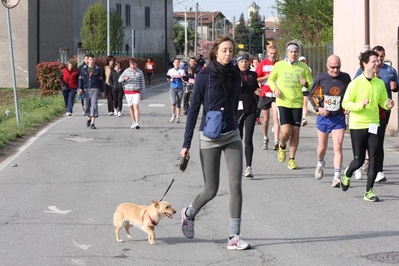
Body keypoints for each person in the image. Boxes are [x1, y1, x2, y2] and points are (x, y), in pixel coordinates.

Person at [180, 36, 251, 250]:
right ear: (215, 52)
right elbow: (193, 110)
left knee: (236, 184)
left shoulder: (236, 74)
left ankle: (234, 237)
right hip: (209, 138)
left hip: (231, 135)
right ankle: (189, 213)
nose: (228, 54)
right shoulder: (204, 76)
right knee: (211, 189)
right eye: (224, 51)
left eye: (231, 50)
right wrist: (186, 144)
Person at [341, 50, 394, 202]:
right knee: (358, 160)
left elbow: (383, 101)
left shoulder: (380, 83)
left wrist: (388, 104)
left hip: (374, 124)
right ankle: (348, 173)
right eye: (374, 61)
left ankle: (369, 191)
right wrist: (360, 105)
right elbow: (346, 103)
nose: (377, 64)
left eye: (378, 61)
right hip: (358, 125)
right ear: (365, 64)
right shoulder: (355, 83)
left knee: (374, 158)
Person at [353, 45, 399, 182]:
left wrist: (395, 87)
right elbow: (355, 85)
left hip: (383, 112)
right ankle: (360, 164)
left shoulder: (390, 70)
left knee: (378, 141)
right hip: (366, 112)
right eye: (376, 57)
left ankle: (379, 170)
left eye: (381, 56)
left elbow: (396, 86)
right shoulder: (364, 71)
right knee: (365, 141)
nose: (379, 60)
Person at [268, 43, 313, 169]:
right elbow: (271, 80)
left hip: (297, 103)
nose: (294, 54)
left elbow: (311, 83)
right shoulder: (279, 65)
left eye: (295, 52)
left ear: (298, 53)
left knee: (295, 132)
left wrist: (306, 84)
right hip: (283, 102)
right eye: (291, 52)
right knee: (286, 131)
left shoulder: (303, 67)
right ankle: (282, 146)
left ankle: (292, 159)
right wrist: (275, 88)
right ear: (287, 53)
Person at [308, 55, 351, 187]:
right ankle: (320, 162)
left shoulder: (346, 78)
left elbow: (351, 93)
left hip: (338, 117)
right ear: (327, 66)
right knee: (322, 147)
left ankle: (337, 176)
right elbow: (311, 95)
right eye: (332, 67)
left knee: (338, 146)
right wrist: (318, 108)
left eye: (338, 67)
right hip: (324, 117)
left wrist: (348, 106)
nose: (335, 70)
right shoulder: (321, 78)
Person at [236, 52, 259, 178]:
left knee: (248, 139)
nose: (244, 63)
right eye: (241, 61)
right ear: (237, 63)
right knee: (237, 140)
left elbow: (255, 87)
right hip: (237, 111)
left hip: (250, 109)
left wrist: (257, 91)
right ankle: (236, 165)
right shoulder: (233, 75)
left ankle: (249, 167)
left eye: (245, 61)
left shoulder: (253, 74)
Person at [256, 46, 280, 150]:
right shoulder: (263, 64)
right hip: (265, 94)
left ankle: (276, 141)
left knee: (276, 118)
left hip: (276, 94)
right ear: (267, 54)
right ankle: (265, 138)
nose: (273, 55)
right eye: (271, 53)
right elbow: (256, 79)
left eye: (275, 53)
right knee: (265, 119)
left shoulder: (279, 64)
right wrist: (267, 77)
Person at [77, 54, 105, 129]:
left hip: (94, 90)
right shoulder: (83, 69)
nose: (91, 61)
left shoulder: (97, 69)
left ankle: (93, 123)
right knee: (86, 107)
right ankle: (88, 118)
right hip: (85, 90)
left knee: (94, 106)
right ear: (87, 60)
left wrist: (102, 91)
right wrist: (80, 88)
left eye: (93, 60)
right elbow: (80, 79)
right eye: (90, 60)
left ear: (94, 60)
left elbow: (100, 81)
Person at [118, 58, 145, 129]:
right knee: (131, 107)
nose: (132, 66)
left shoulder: (140, 72)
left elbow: (142, 83)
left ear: (136, 64)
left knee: (136, 106)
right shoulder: (126, 71)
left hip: (136, 91)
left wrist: (143, 93)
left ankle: (137, 123)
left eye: (134, 64)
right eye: (131, 64)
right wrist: (124, 79)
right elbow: (119, 80)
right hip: (128, 92)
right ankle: (133, 122)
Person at [166, 59, 185, 123]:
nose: (176, 63)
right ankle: (173, 115)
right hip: (173, 88)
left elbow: (185, 79)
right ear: (173, 63)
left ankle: (178, 117)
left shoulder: (182, 71)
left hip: (180, 88)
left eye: (177, 62)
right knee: (173, 102)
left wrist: (182, 78)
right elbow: (167, 78)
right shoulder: (170, 71)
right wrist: (170, 80)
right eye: (175, 62)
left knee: (178, 103)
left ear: (179, 63)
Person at [299, 56, 312, 126]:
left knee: (305, 103)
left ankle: (304, 118)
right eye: (301, 61)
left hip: (305, 88)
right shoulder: (297, 68)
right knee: (299, 104)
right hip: (298, 89)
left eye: (304, 61)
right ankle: (299, 117)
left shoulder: (308, 68)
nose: (302, 62)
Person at [250, 57, 261, 125]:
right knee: (254, 103)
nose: (256, 64)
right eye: (254, 62)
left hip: (260, 89)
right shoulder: (251, 71)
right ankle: (254, 116)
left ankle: (257, 117)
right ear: (252, 64)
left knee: (259, 104)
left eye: (257, 62)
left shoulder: (260, 69)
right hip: (253, 89)